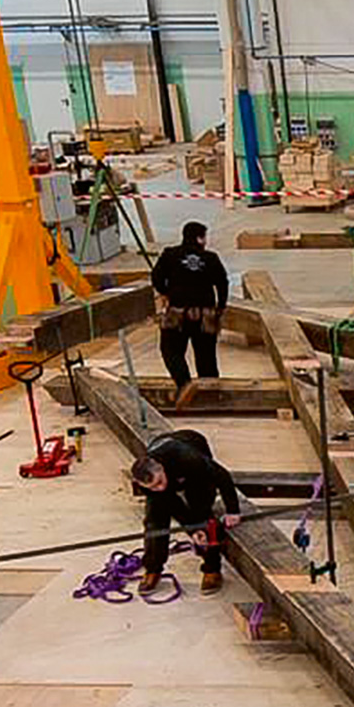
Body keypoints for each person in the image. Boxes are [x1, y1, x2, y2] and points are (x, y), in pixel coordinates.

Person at [131, 428, 243, 594]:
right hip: (170, 461)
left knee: (203, 515)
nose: (159, 488)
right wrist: (193, 530)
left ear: (161, 467)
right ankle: (153, 568)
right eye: (153, 487)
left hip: (192, 455)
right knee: (154, 522)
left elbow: (221, 475)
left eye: (160, 482)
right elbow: (173, 506)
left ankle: (212, 569)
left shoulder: (189, 458)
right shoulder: (147, 483)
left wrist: (233, 510)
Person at [150, 222, 230, 389]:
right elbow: (222, 283)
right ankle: (209, 392)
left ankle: (184, 384)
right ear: (199, 238)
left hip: (177, 312)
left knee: (171, 351)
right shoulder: (211, 258)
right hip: (205, 315)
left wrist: (166, 292)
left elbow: (156, 277)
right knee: (206, 357)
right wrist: (220, 307)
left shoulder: (170, 254)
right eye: (204, 237)